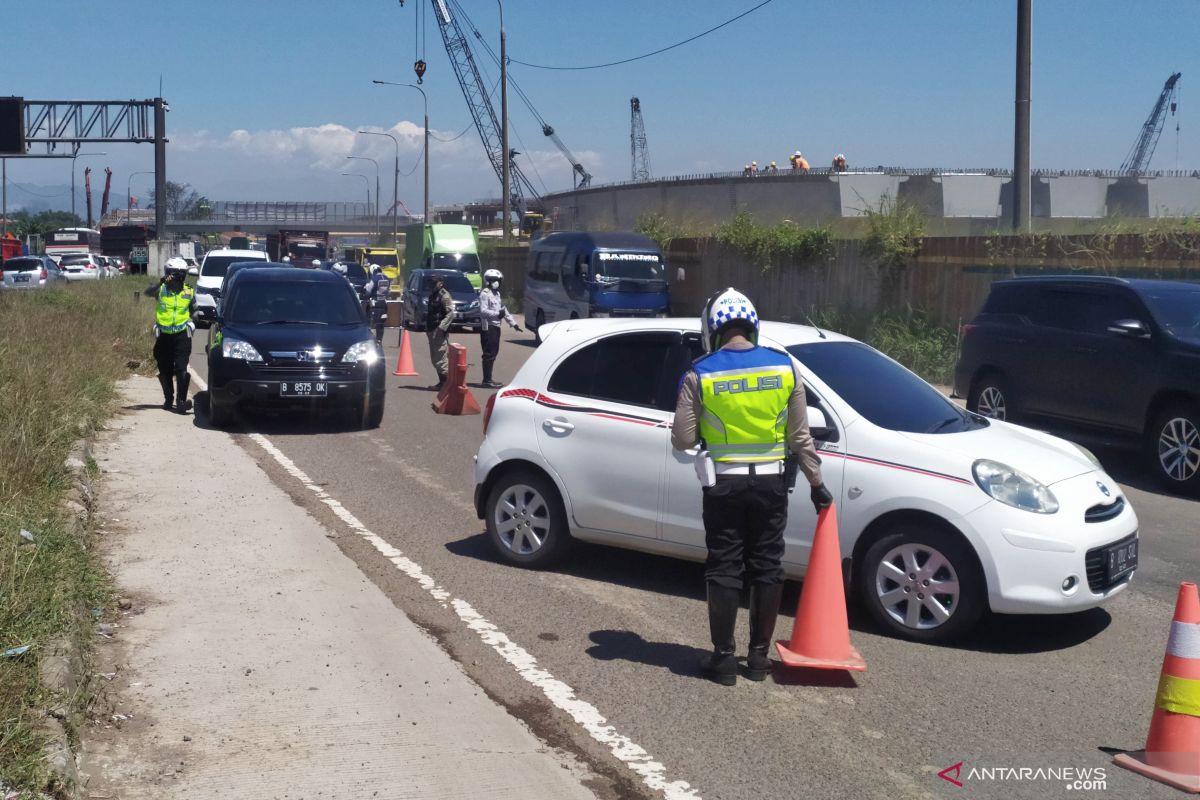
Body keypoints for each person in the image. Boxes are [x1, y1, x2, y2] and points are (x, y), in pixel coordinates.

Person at [672, 288, 832, 686]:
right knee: (767, 565)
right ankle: (758, 660)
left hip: (723, 485)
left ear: (714, 329)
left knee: (725, 566)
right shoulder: (784, 368)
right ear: (754, 327)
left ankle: (724, 660)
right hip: (772, 484)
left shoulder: (699, 372)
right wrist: (817, 484)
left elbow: (682, 439)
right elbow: (801, 436)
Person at [143, 257, 197, 414]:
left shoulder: (188, 291)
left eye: (180, 274)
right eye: (173, 274)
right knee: (164, 369)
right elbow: (147, 292)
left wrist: (192, 324)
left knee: (181, 368)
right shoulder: (161, 290)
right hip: (164, 335)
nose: (176, 278)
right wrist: (161, 282)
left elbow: (195, 312)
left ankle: (181, 401)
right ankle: (168, 398)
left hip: (181, 335)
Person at [478, 268, 522, 388]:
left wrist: (513, 324)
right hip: (488, 327)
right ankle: (486, 380)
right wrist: (497, 315)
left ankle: (489, 379)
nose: (498, 282)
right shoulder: (485, 294)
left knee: (494, 352)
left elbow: (503, 310)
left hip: (496, 326)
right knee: (489, 353)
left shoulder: (496, 294)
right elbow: (483, 311)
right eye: (496, 280)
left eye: (499, 280)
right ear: (489, 280)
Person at [426, 273, 455, 390]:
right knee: (435, 359)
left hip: (439, 330)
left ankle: (446, 384)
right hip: (431, 329)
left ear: (441, 283)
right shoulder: (433, 294)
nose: (432, 285)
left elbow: (450, 313)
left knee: (441, 358)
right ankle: (441, 382)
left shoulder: (444, 295)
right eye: (431, 282)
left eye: (435, 282)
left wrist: (441, 327)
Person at [364, 264, 392, 344]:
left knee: (371, 323)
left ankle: (370, 341)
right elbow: (389, 291)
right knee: (381, 324)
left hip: (374, 304)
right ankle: (379, 340)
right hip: (383, 304)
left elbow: (368, 290)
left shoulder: (374, 278)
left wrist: (365, 293)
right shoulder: (387, 278)